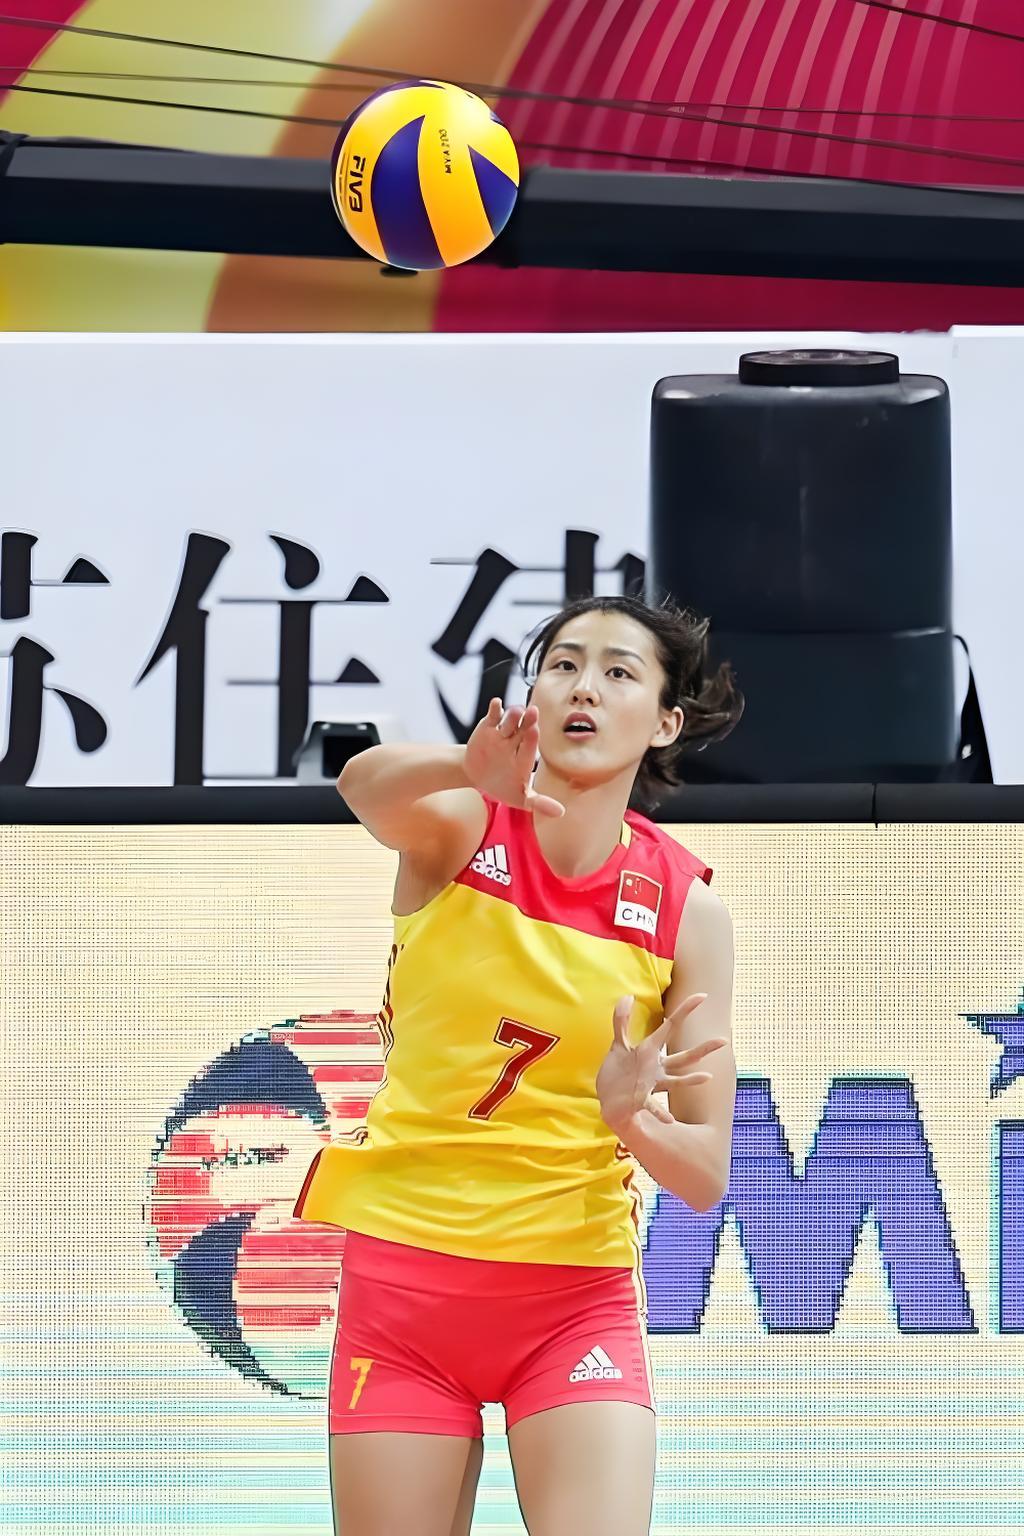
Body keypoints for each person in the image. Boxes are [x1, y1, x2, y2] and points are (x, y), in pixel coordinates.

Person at [293, 592, 743, 1536]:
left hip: (571, 1295)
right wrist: (467, 766)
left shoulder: (686, 909)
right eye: (563, 664)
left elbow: (704, 1175)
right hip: (405, 1286)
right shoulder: (464, 824)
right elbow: (361, 786)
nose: (584, 687)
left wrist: (632, 1118)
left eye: (618, 671)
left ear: (666, 721)